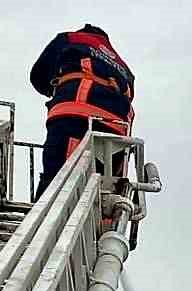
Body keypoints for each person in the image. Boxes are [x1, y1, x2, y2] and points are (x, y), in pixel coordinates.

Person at [29, 25, 134, 197]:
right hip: (116, 132)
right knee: (103, 193)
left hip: (75, 115)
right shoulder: (124, 67)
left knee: (57, 180)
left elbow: (38, 75)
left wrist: (57, 88)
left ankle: (42, 220)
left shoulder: (70, 39)